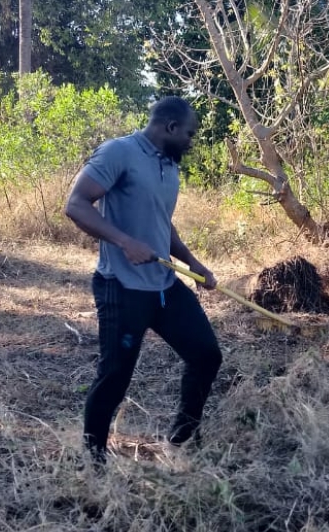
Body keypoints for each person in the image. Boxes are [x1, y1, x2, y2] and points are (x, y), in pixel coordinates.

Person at [64, 96, 222, 464]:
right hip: (121, 286)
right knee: (115, 375)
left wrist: (196, 266)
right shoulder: (118, 152)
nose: (191, 140)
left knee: (206, 356)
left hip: (164, 287)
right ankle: (93, 458)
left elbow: (162, 224)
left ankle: (178, 443)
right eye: (189, 133)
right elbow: (76, 204)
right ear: (169, 127)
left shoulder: (169, 166)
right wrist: (123, 241)